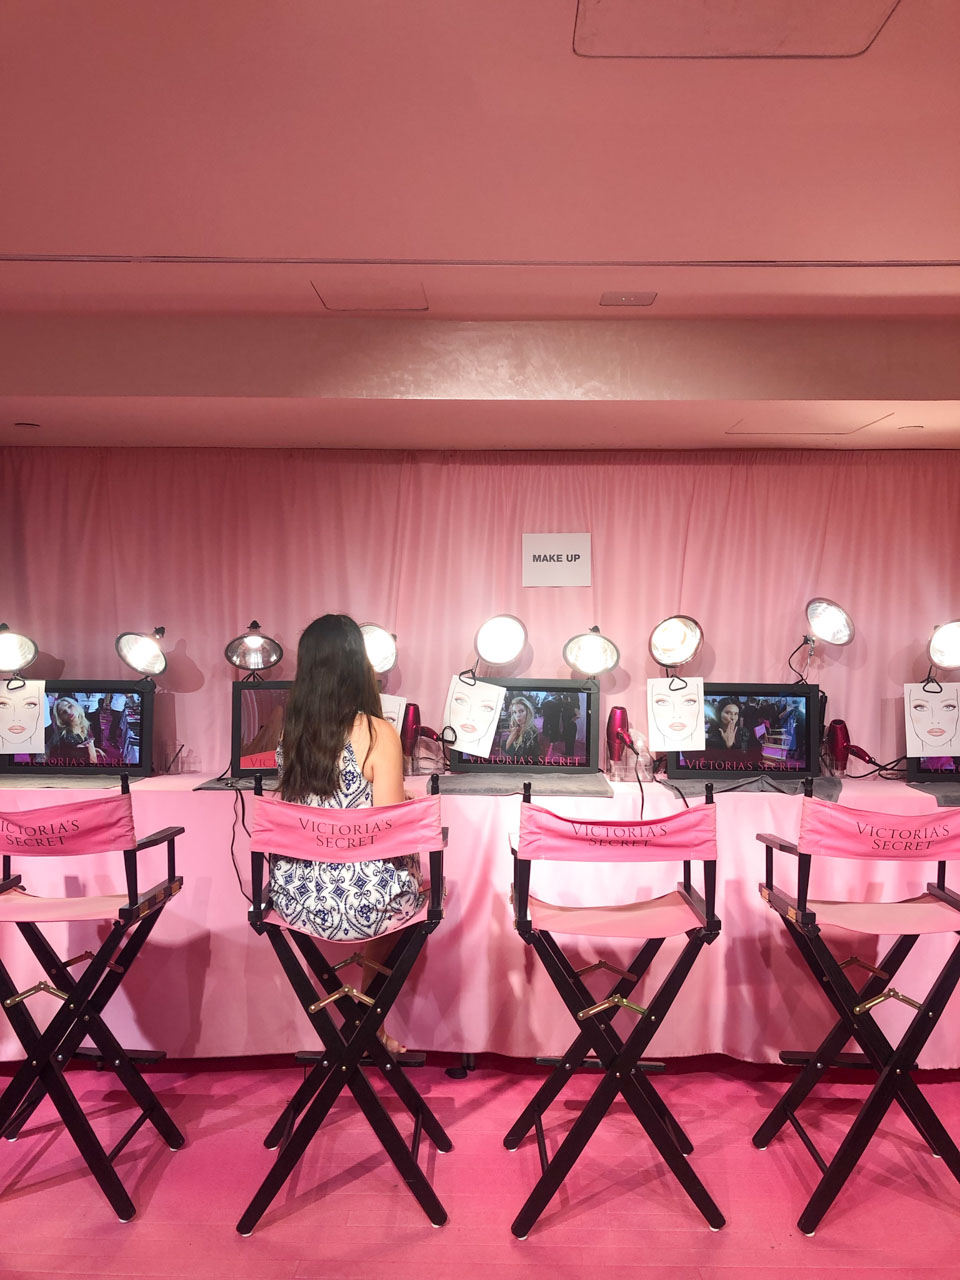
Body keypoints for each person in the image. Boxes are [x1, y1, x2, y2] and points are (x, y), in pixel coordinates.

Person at [268, 614, 425, 1054]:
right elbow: (389, 825)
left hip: (297, 898)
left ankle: (364, 1024)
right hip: (367, 901)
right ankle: (367, 1018)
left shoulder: (291, 733)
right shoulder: (378, 732)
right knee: (407, 880)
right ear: (359, 666)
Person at [45, 697, 102, 765]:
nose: (69, 712)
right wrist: (91, 750)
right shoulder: (68, 738)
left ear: (76, 706)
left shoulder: (80, 726)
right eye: (64, 712)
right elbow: (91, 766)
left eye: (70, 706)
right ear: (61, 719)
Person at [502, 695, 540, 760]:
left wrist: (511, 738)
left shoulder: (529, 732)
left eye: (521, 711)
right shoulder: (519, 728)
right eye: (514, 712)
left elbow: (518, 758)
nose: (517, 715)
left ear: (528, 712)